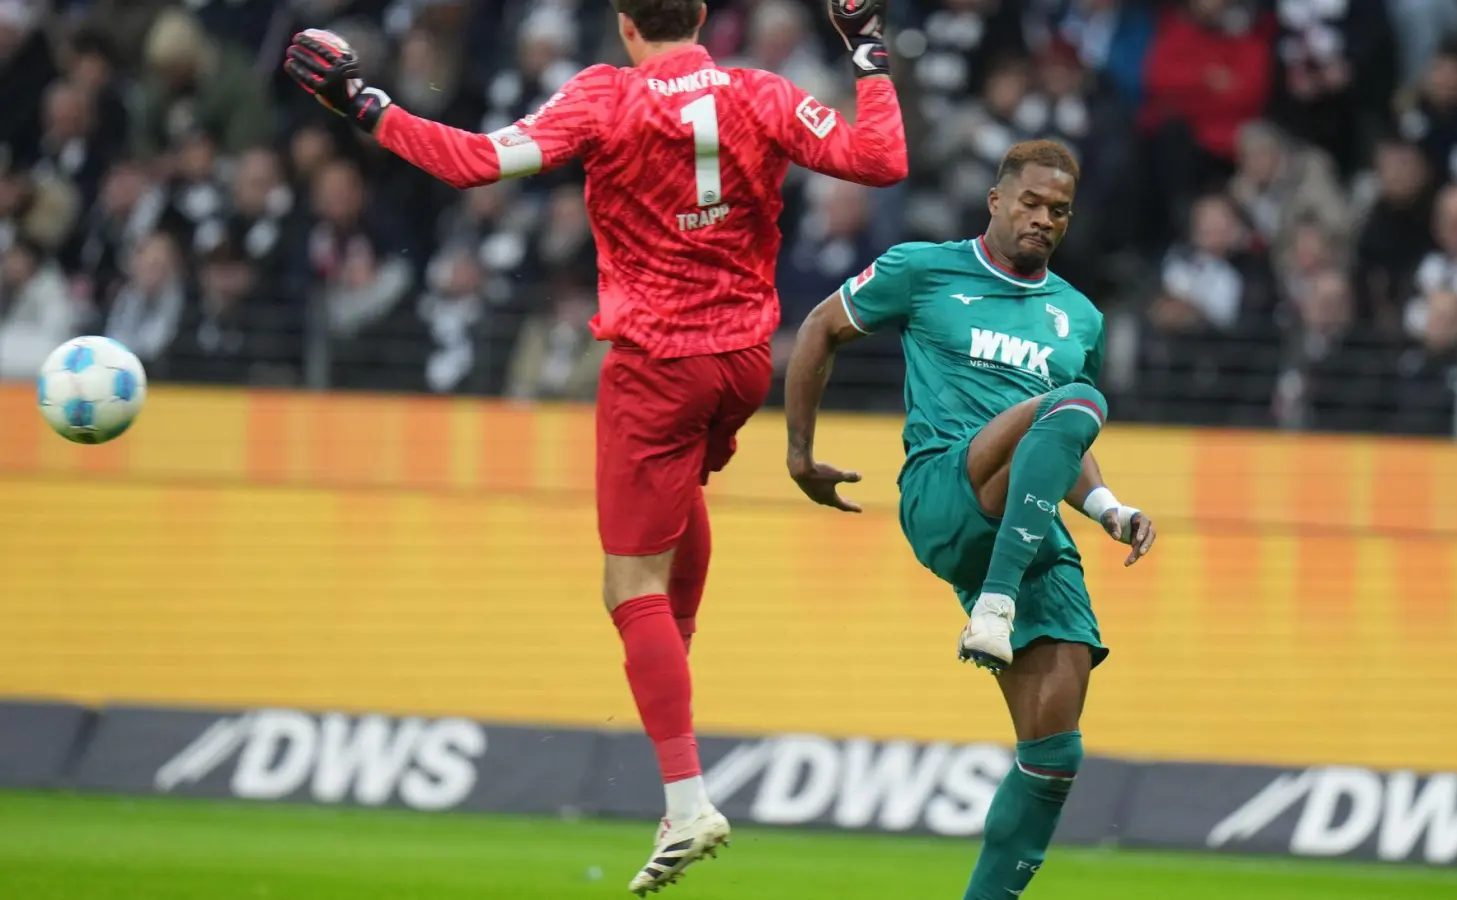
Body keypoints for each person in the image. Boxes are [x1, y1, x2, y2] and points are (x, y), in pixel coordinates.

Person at [282, 2, 908, 895]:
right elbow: (882, 159)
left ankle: (688, 797)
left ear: (624, 24)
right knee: (676, 510)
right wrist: (872, 56)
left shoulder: (606, 98)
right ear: (699, 15)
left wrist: (365, 104)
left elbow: (473, 163)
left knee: (628, 585)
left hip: (656, 364)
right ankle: (677, 767)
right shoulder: (759, 91)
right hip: (740, 362)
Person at [783, 140, 1155, 900]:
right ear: (996, 199)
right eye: (1031, 203)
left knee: (1054, 754)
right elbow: (820, 328)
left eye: (1059, 212)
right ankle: (994, 600)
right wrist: (799, 454)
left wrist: (1110, 507)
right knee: (1081, 401)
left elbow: (1062, 439)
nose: (1044, 220)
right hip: (944, 492)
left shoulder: (1078, 317)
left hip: (1027, 527)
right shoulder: (924, 270)